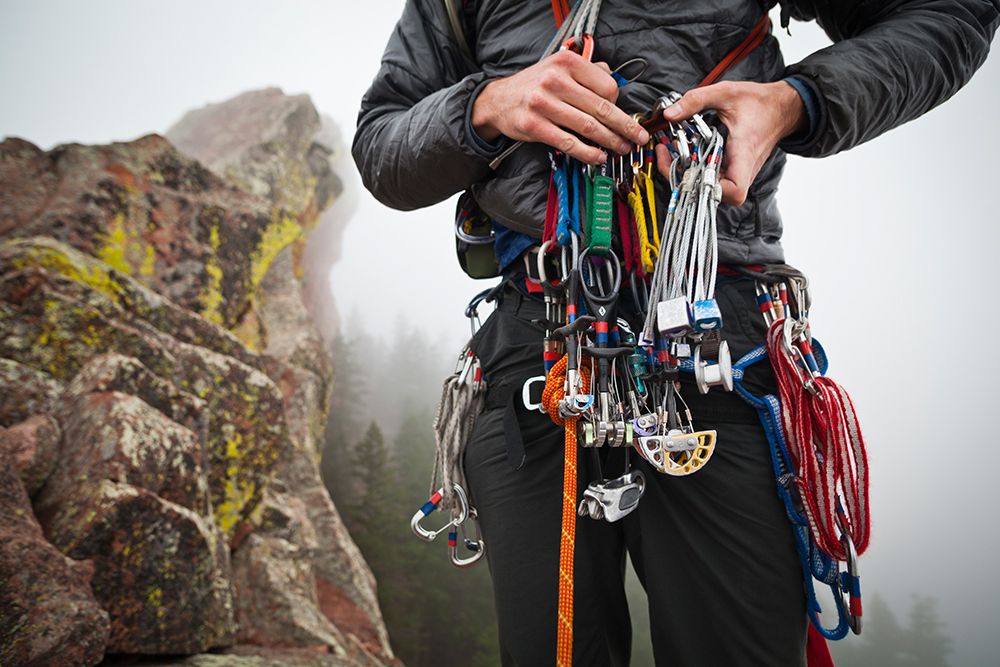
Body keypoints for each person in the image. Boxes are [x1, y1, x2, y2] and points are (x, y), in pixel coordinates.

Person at [353, 2, 998, 665]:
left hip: (715, 340)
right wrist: (486, 106)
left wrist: (796, 101)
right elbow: (381, 144)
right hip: (542, 353)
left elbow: (952, 12)